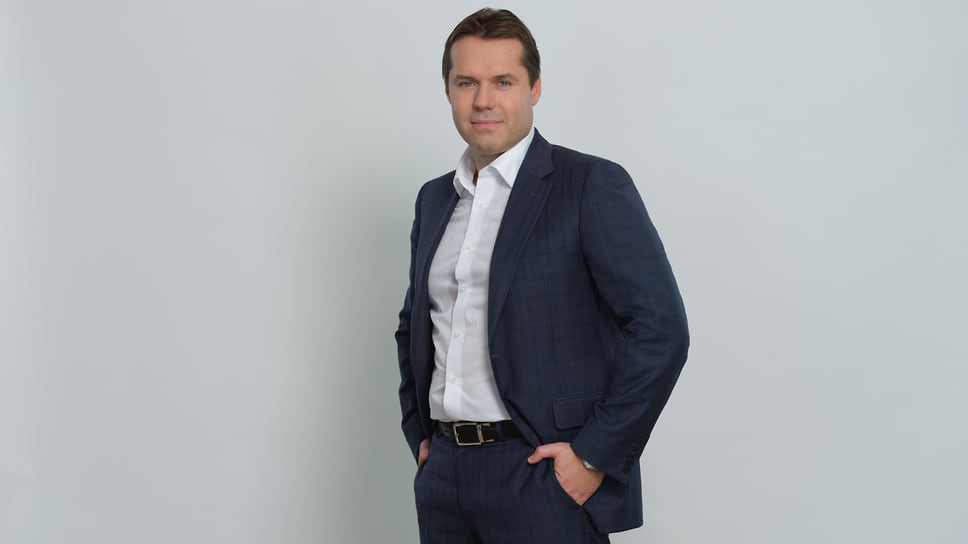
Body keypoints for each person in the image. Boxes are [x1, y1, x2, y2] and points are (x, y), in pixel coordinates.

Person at [395, 8, 689, 543]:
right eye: (467, 83)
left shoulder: (589, 185)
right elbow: (414, 324)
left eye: (503, 82)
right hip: (444, 477)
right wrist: (421, 437)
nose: (483, 101)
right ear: (448, 91)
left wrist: (592, 456)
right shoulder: (434, 199)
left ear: (534, 89)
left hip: (541, 476)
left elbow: (660, 329)